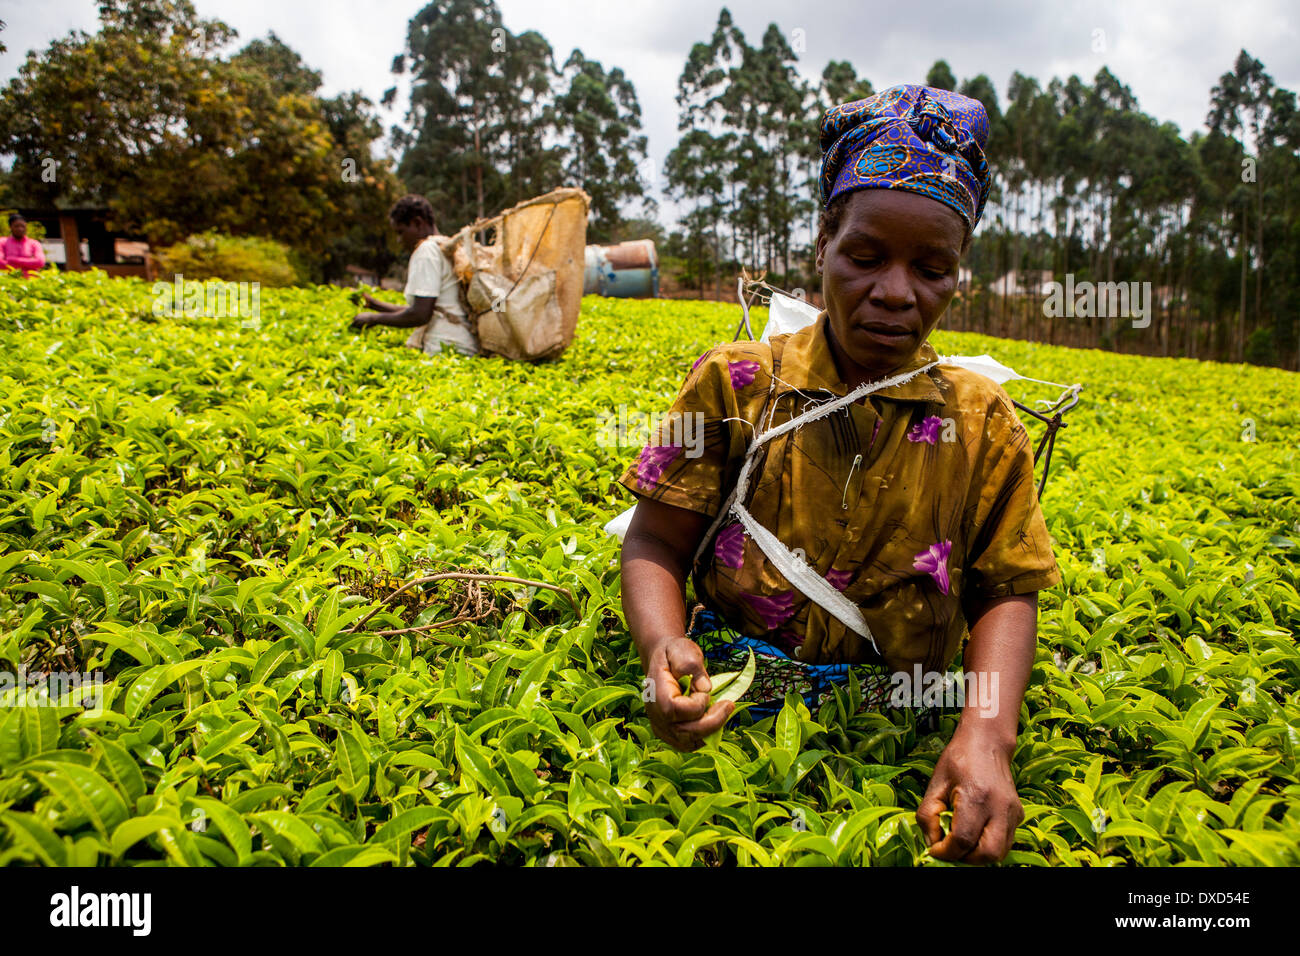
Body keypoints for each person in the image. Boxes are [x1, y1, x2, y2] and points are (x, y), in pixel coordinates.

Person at [617, 85, 1061, 865]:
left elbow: (1006, 591)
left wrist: (986, 734)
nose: (895, 292)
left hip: (902, 724)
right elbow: (655, 539)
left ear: (959, 274)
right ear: (823, 243)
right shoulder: (738, 383)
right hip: (734, 695)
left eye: (932, 268)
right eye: (864, 257)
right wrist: (663, 646)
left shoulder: (986, 423)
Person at [349, 194, 478, 356]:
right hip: (464, 345)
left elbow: (420, 314)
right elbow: (428, 308)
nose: (399, 240)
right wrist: (373, 304)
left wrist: (374, 319)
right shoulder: (448, 246)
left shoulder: (426, 251)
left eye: (400, 232)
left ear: (417, 223)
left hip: (444, 347)